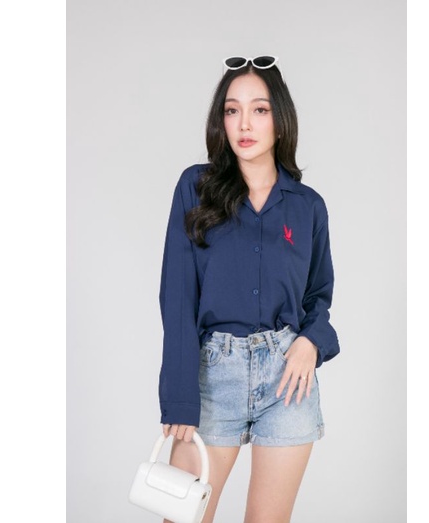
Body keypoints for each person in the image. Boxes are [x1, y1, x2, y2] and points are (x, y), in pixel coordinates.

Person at [158, 56, 340, 523]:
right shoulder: (195, 186)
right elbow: (177, 295)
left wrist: (311, 342)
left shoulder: (308, 207)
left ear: (280, 118)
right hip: (212, 376)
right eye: (232, 110)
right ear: (220, 120)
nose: (244, 123)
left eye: (259, 109)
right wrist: (179, 396)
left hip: (287, 381)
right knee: (182, 516)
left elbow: (318, 295)